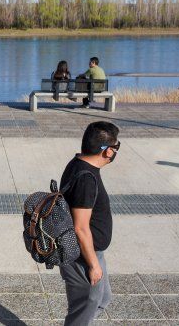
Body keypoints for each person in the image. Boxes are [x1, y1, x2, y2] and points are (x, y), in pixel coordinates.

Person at [58, 121, 119, 325]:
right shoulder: (85, 179)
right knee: (85, 305)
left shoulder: (78, 162)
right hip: (82, 256)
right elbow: (80, 227)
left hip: (91, 251)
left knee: (102, 299)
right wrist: (93, 265)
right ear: (108, 151)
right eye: (116, 147)